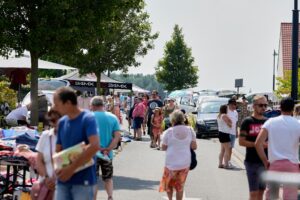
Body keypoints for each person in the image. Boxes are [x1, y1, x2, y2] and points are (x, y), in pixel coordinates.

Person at [53, 87, 100, 200]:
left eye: (57, 104)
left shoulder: (88, 118)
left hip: (83, 182)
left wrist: (70, 169)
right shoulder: (62, 122)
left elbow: (94, 146)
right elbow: (58, 149)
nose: (54, 108)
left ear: (68, 103)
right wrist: (56, 168)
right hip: (63, 181)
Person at [255, 97, 300, 200]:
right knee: (290, 196)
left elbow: (258, 143)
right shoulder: (298, 124)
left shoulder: (270, 122)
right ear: (293, 109)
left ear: (280, 107)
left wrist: (265, 161)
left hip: (274, 163)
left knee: (271, 195)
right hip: (292, 164)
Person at [159, 110, 197, 200]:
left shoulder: (168, 132)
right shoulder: (190, 130)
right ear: (183, 119)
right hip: (185, 162)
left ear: (173, 120)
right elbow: (194, 146)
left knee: (169, 185)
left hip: (171, 163)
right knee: (180, 186)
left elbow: (163, 147)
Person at [90, 96, 121, 200]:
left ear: (92, 105)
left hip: (92, 153)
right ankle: (110, 196)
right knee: (108, 177)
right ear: (103, 105)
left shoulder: (88, 117)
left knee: (93, 179)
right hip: (107, 154)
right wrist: (108, 149)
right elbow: (117, 136)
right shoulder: (113, 117)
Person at [239, 95, 268, 200]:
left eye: (265, 105)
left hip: (265, 161)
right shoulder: (247, 121)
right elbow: (241, 142)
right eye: (261, 105)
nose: (264, 107)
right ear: (254, 106)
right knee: (253, 194)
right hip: (251, 162)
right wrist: (258, 144)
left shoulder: (268, 122)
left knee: (261, 192)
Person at [35, 109, 62, 200]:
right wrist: (46, 178)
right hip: (45, 185)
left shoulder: (72, 136)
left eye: (57, 119)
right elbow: (39, 160)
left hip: (64, 186)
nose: (55, 123)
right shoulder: (45, 136)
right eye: (52, 120)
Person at [217, 104, 232, 169]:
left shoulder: (219, 115)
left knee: (222, 150)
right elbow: (229, 124)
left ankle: (220, 164)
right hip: (225, 134)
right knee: (227, 150)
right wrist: (230, 122)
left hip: (221, 133)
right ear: (225, 109)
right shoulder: (224, 115)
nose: (228, 110)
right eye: (227, 108)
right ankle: (226, 164)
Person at [227, 98, 238, 166]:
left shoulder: (235, 112)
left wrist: (236, 131)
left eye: (235, 105)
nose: (235, 106)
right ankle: (225, 161)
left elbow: (236, 122)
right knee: (226, 148)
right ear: (230, 105)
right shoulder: (226, 111)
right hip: (227, 132)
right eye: (234, 105)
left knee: (231, 148)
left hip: (233, 132)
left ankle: (229, 161)